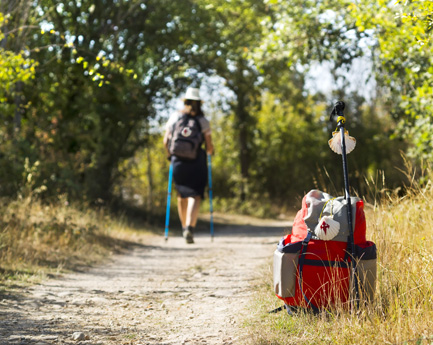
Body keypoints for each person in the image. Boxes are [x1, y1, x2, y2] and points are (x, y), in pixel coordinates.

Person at [163, 87, 214, 243]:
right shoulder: (202, 121)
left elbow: (166, 141)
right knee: (195, 195)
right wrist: (210, 152)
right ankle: (190, 228)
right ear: (199, 103)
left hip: (177, 160)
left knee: (181, 194)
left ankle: (184, 227)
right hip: (196, 161)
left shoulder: (175, 117)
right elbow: (209, 145)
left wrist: (170, 155)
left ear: (185, 101)